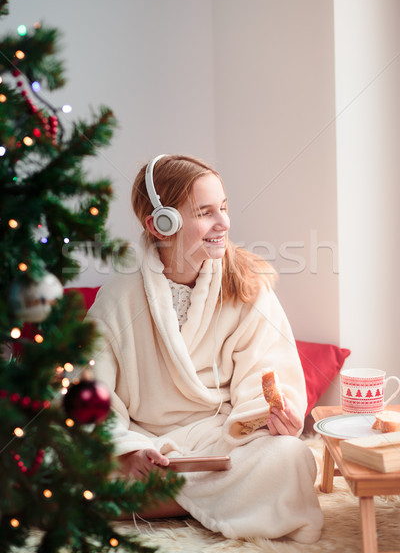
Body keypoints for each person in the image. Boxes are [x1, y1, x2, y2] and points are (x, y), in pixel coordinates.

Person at [88, 154, 323, 543]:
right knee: (57, 458)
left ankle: (159, 502)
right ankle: (196, 498)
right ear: (160, 224)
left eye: (225, 208)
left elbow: (267, 376)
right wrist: (126, 452)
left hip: (219, 442)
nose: (224, 223)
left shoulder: (247, 288)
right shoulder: (118, 299)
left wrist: (277, 417)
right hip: (144, 444)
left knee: (291, 457)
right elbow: (90, 394)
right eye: (206, 213)